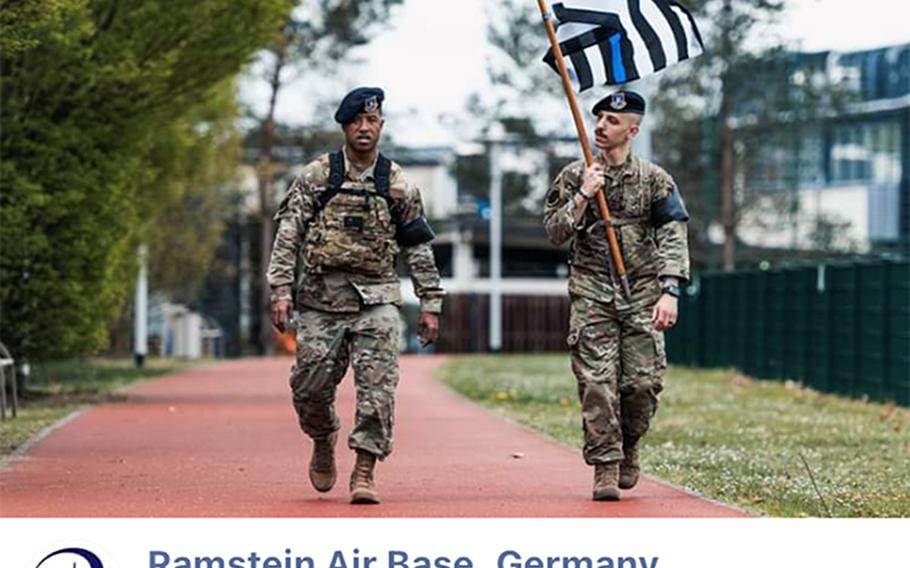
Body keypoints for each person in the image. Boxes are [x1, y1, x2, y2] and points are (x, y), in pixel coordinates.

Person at [266, 87, 444, 504]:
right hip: (320, 299)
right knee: (309, 388)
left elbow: (418, 247)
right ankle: (323, 436)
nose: (364, 128)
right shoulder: (317, 176)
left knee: (378, 389)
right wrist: (280, 288)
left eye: (372, 121)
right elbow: (288, 233)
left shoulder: (397, 183)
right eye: (356, 122)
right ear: (345, 126)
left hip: (376, 299)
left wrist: (431, 302)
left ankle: (364, 470)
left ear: (381, 125)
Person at [543, 90, 690, 501]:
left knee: (641, 385)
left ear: (633, 129)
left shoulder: (655, 180)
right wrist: (584, 194)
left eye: (611, 120)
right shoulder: (575, 176)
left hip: (642, 293)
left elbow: (673, 236)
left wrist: (670, 290)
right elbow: (554, 233)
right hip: (592, 293)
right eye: (599, 118)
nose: (601, 126)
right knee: (596, 383)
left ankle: (630, 444)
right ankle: (605, 464)